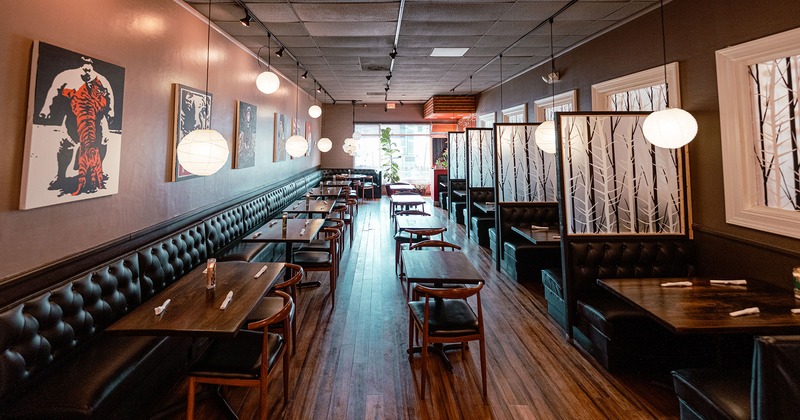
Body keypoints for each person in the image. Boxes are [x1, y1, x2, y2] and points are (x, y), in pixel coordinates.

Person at [38, 56, 115, 195]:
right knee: (66, 144)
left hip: (97, 118)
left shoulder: (101, 79)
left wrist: (111, 111)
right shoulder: (67, 76)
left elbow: (110, 95)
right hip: (73, 118)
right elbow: (54, 90)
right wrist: (46, 108)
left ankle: (96, 171)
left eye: (89, 65)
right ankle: (60, 175)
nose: (86, 68)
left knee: (102, 142)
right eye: (84, 64)